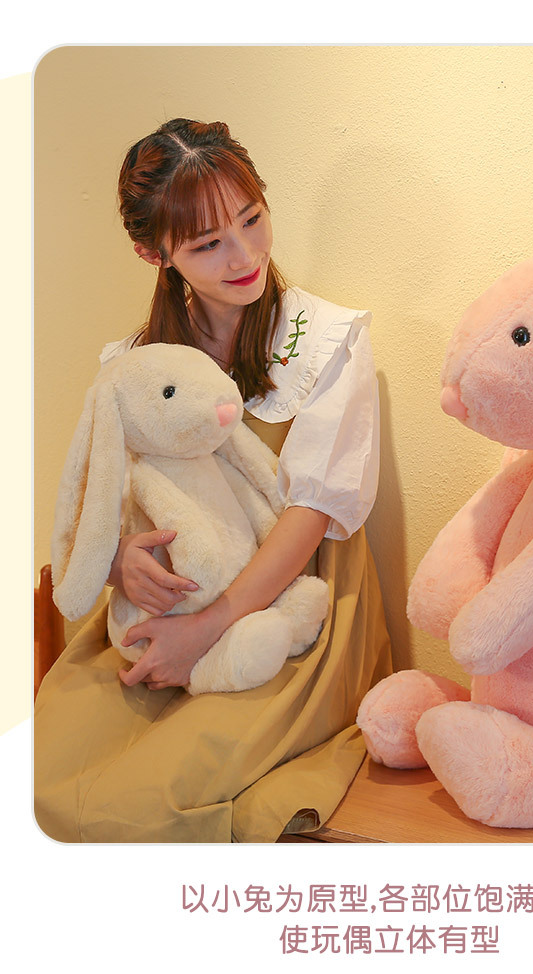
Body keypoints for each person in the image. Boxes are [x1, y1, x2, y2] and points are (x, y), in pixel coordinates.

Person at [34, 118, 392, 842]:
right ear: (155, 253)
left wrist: (206, 629)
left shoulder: (326, 342)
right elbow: (104, 500)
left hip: (291, 611)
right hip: (163, 615)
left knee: (141, 802)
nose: (245, 254)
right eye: (207, 244)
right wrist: (119, 563)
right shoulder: (136, 363)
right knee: (42, 778)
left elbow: (310, 516)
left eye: (252, 219)